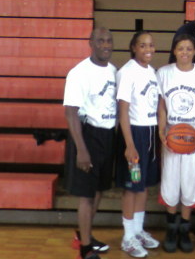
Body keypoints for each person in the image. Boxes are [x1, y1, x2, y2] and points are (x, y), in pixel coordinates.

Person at [157, 34, 195, 253]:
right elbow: (162, 106)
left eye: (189, 49)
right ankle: (171, 228)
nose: (185, 52)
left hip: (194, 136)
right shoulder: (164, 73)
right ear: (174, 51)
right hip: (171, 134)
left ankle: (184, 229)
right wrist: (162, 131)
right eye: (181, 48)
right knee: (171, 184)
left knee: (189, 184)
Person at [64, 27, 117, 259]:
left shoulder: (114, 71)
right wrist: (82, 150)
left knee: (98, 191)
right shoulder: (79, 73)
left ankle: (84, 234)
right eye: (100, 41)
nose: (105, 45)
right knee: (86, 194)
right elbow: (71, 113)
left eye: (109, 41)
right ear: (91, 43)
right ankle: (85, 248)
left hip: (107, 135)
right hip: (86, 135)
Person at [115, 31, 160, 258]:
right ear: (133, 47)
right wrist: (129, 144)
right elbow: (123, 111)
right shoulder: (127, 72)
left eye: (151, 45)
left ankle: (138, 230)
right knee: (132, 186)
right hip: (134, 135)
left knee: (143, 185)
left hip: (151, 134)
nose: (148, 49)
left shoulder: (152, 72)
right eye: (143, 45)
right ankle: (127, 237)